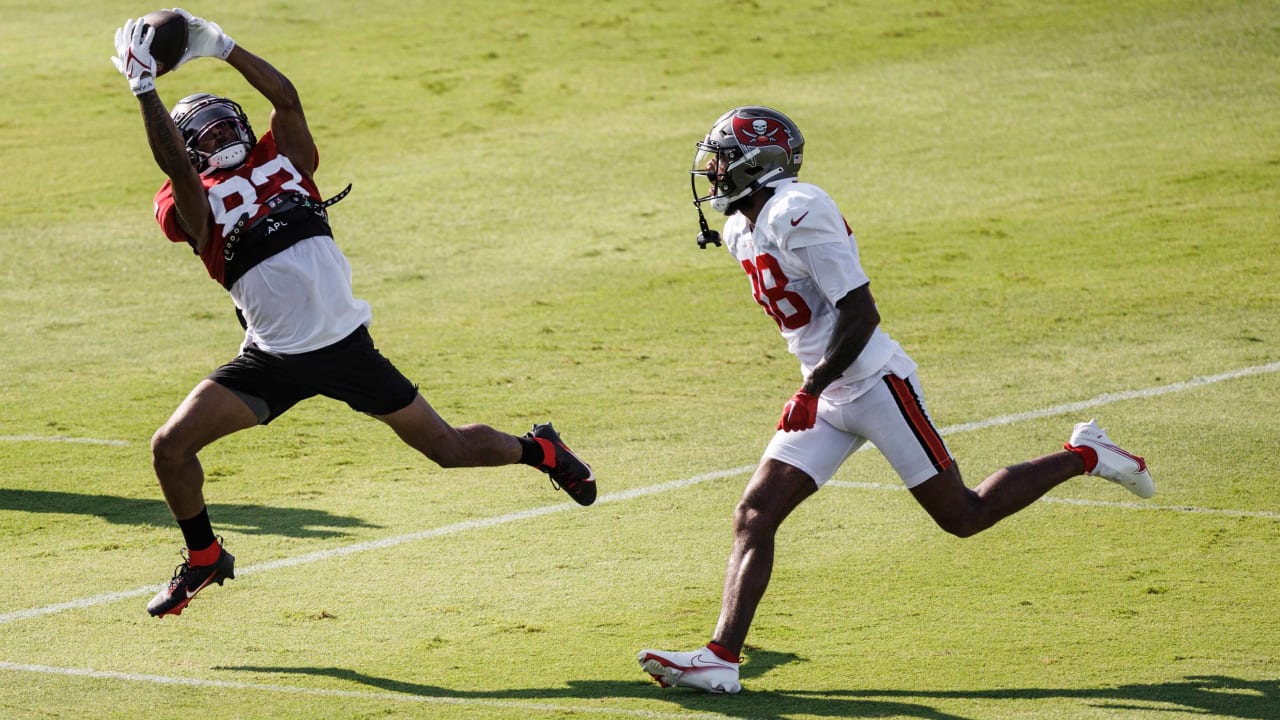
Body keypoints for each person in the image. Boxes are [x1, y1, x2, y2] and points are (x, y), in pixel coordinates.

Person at [637, 106, 1153, 694]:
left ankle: (1085, 453)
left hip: (875, 383)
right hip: (828, 392)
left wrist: (810, 388)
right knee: (756, 513)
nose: (714, 171)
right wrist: (816, 387)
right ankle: (720, 659)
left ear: (760, 164)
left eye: (724, 159)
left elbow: (861, 313)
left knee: (964, 515)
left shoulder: (796, 210)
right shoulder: (742, 226)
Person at [110, 11, 596, 619]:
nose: (215, 139)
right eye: (201, 138)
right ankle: (205, 555)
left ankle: (540, 451)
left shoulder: (285, 158)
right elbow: (178, 170)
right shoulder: (188, 202)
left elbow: (285, 98)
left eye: (221, 127)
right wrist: (143, 88)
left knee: (446, 449)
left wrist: (223, 47)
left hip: (343, 347)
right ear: (187, 151)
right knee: (169, 448)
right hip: (272, 359)